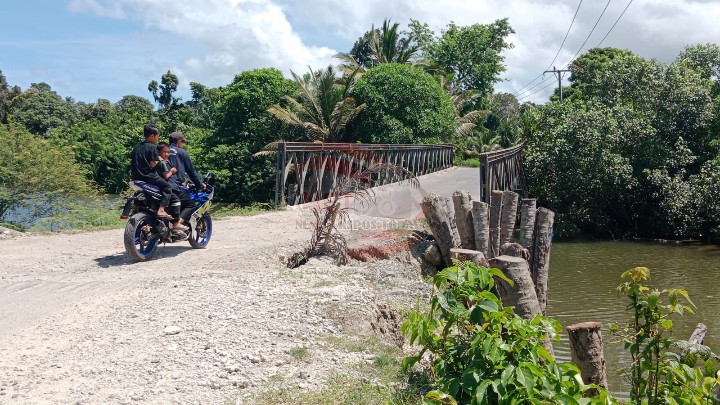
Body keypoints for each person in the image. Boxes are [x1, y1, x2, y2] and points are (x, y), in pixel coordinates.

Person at [130, 125, 174, 219]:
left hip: (135, 176)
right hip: (148, 176)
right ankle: (161, 210)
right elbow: (153, 164)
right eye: (157, 136)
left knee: (140, 191)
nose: (157, 139)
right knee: (167, 187)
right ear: (152, 136)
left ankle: (134, 209)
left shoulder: (137, 146)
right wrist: (160, 160)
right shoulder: (152, 147)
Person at [168, 132, 205, 230]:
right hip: (174, 184)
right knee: (191, 205)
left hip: (159, 184)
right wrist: (199, 185)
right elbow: (191, 171)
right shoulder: (182, 152)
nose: (183, 144)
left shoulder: (162, 150)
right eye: (183, 142)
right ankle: (176, 225)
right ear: (179, 141)